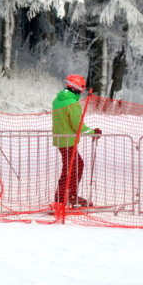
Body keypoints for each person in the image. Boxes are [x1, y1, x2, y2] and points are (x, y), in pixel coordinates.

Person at [52, 74, 101, 208]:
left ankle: (62, 197)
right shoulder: (71, 102)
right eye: (81, 88)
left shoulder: (59, 99)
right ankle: (67, 197)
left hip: (61, 139)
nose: (82, 91)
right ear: (76, 87)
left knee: (71, 167)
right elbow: (76, 124)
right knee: (74, 167)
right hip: (68, 140)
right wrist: (92, 132)